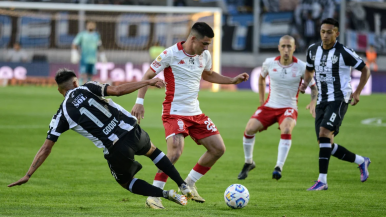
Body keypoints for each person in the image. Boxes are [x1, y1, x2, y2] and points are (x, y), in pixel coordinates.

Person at [8, 69, 193, 207]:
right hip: (132, 130)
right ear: (75, 83)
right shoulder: (88, 86)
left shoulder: (61, 114)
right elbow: (118, 90)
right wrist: (147, 82)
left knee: (126, 182)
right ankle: (183, 185)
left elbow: (46, 147)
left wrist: (28, 174)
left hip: (115, 147)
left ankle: (166, 193)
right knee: (153, 151)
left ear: (60, 91)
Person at [131, 22, 249, 209]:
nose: (207, 48)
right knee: (175, 151)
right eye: (204, 43)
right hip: (174, 112)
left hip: (195, 112)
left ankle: (191, 183)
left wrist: (231, 80)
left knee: (218, 148)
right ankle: (154, 195)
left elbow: (208, 75)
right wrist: (139, 102)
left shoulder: (205, 55)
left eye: (208, 44)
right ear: (193, 39)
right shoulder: (170, 54)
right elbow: (148, 75)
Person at [299, 18, 371, 191]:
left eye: (329, 32)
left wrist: (358, 91)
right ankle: (361, 161)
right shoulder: (313, 50)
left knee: (324, 133)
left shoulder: (344, 52)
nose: (325, 35)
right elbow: (309, 70)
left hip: (339, 98)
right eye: (323, 31)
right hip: (322, 100)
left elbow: (365, 69)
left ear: (337, 33)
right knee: (325, 144)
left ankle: (322, 181)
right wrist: (305, 83)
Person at [237, 35, 318, 180]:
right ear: (279, 48)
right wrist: (261, 101)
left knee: (287, 128)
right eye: (283, 46)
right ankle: (248, 162)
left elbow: (314, 87)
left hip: (289, 107)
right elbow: (261, 77)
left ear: (294, 48)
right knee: (249, 128)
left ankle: (278, 167)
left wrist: (313, 103)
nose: (286, 49)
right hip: (269, 105)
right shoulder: (269, 63)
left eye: (289, 46)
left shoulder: (301, 66)